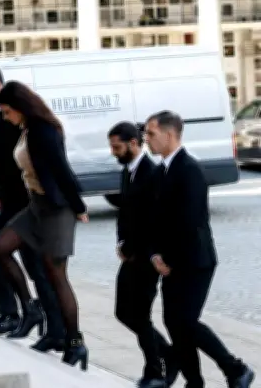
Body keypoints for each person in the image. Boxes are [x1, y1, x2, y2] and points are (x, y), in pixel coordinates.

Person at [144, 111, 254, 388]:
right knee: (174, 322)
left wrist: (166, 257)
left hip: (194, 260)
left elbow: (189, 221)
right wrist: (154, 254)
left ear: (170, 134)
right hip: (170, 261)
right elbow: (154, 219)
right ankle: (194, 381)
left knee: (186, 321)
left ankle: (236, 369)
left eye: (151, 134)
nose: (146, 139)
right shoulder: (161, 170)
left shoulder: (189, 169)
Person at [0, 63, 66, 352]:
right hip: (13, 201)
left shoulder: (26, 122)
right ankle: (29, 317)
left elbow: (33, 166)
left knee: (6, 253)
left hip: (28, 203)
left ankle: (46, 323)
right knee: (21, 260)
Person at [0, 81, 89, 370]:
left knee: (56, 276)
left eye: (7, 111)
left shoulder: (44, 131)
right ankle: (31, 308)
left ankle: (75, 342)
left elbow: (61, 170)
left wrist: (79, 207)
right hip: (36, 205)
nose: (5, 117)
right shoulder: (26, 128)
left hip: (57, 209)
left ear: (20, 107)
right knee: (0, 247)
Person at [107, 122, 177, 388]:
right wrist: (121, 242)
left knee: (139, 314)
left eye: (117, 147)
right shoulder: (128, 171)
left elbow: (154, 220)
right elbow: (124, 213)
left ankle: (155, 371)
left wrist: (148, 252)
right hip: (131, 255)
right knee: (123, 312)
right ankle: (168, 354)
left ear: (133, 143)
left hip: (147, 257)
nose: (113, 152)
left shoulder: (152, 172)